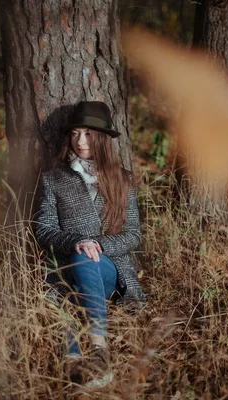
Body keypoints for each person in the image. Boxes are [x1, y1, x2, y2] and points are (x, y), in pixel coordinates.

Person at [32, 101, 146, 389]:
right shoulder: (53, 179)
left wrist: (97, 244)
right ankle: (73, 367)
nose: (80, 142)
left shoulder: (123, 180)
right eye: (74, 134)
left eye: (88, 134)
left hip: (108, 271)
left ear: (102, 138)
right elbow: (43, 228)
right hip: (65, 269)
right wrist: (75, 242)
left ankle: (99, 350)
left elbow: (133, 234)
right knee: (63, 302)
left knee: (88, 259)